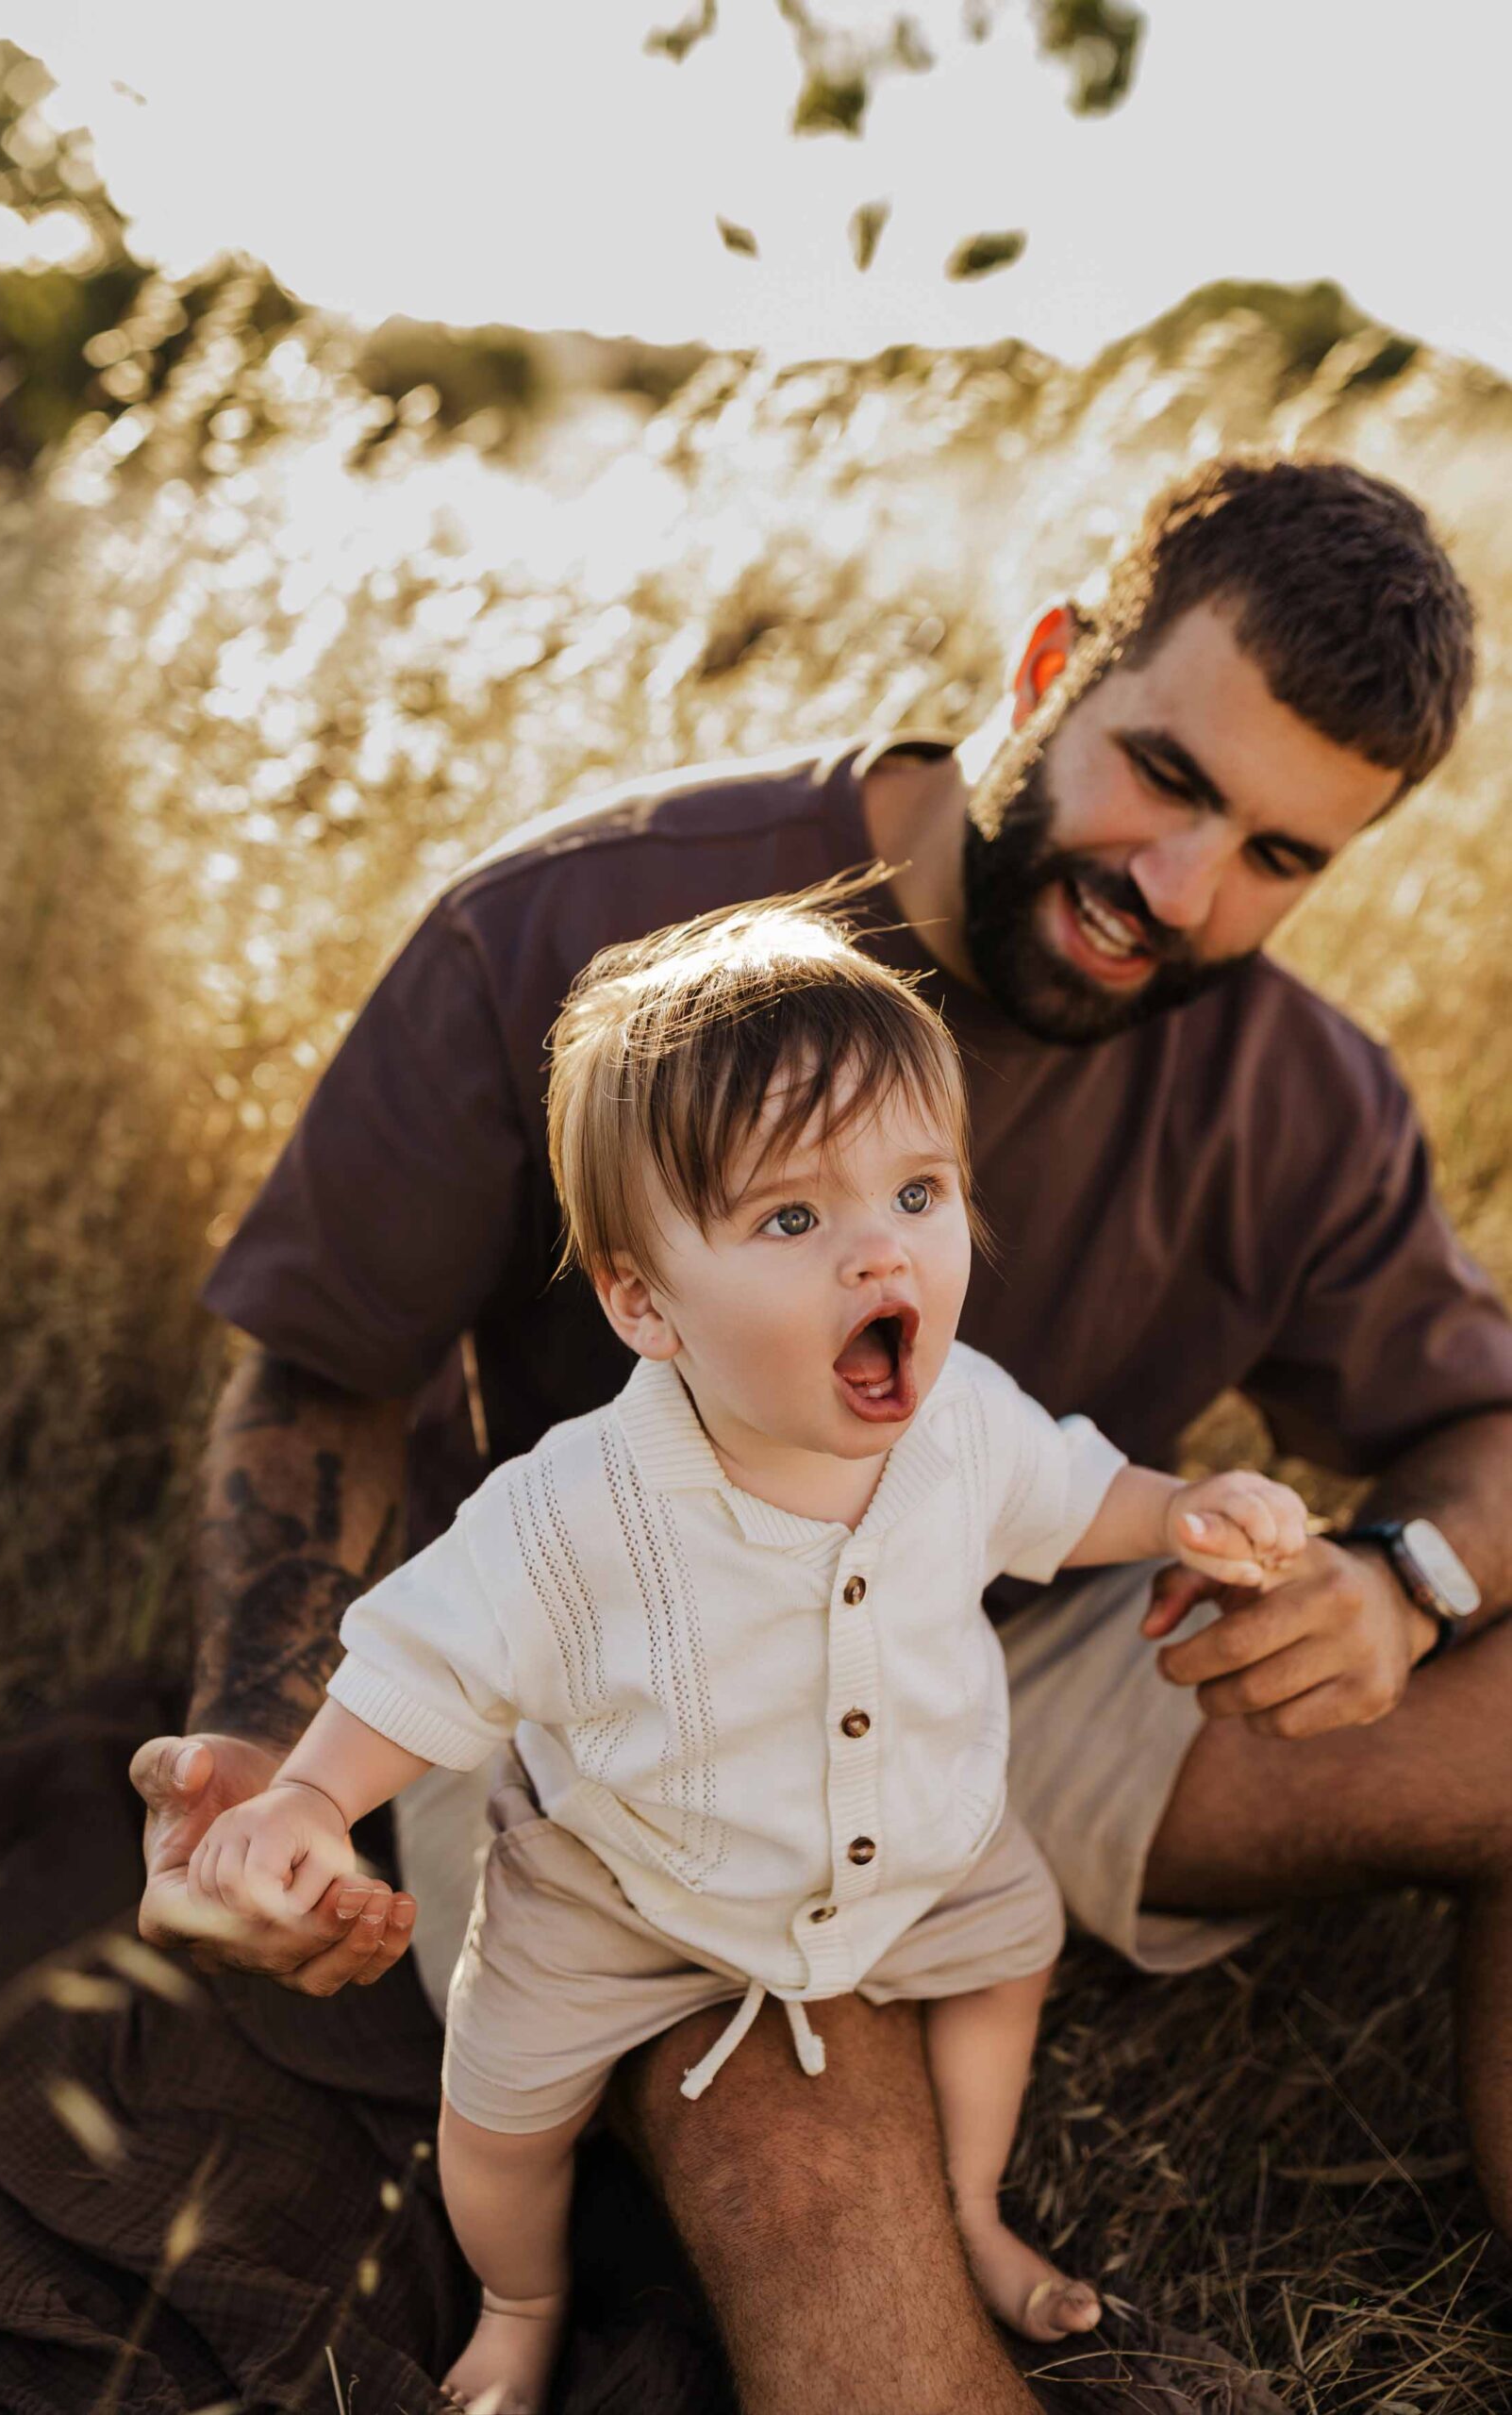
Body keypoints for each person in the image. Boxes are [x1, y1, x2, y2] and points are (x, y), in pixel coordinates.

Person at [134, 454, 1512, 2415]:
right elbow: (323, 1368)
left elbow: (1482, 1425)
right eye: (1170, 779)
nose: (1185, 893)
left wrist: (1404, 1575)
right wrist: (277, 1762)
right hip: (627, 1718)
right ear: (1048, 663)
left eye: (1283, 855)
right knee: (797, 2128)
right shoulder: (582, 927)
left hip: (1010, 1659)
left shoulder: (1301, 1096)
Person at [180, 893, 1310, 2414]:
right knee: (502, 2110)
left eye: (917, 1193)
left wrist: (1185, 1514)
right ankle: (522, 2299)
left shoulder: (961, 1413)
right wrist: (312, 1796)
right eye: (791, 1220)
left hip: (912, 1827)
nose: (875, 1256)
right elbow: (417, 1663)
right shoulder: (576, 1513)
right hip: (623, 1875)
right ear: (645, 1302)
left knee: (1007, 1951)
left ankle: (969, 2209)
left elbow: (1068, 1495)